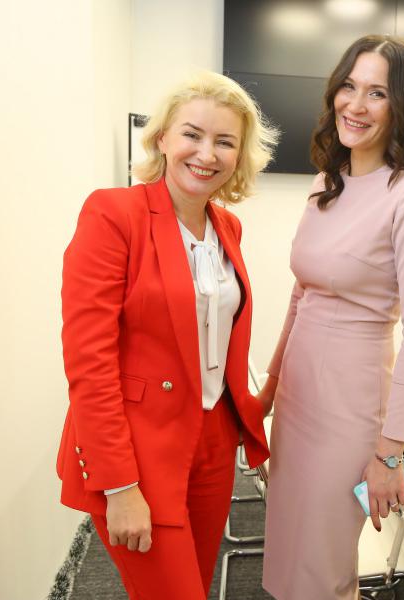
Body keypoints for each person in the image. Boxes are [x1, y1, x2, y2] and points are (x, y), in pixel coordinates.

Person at [56, 71, 278, 600]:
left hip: (213, 441)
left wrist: (252, 406)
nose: (207, 153)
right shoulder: (114, 214)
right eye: (192, 135)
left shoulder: (227, 227)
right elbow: (90, 362)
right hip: (139, 449)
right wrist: (119, 485)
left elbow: (214, 340)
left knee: (194, 585)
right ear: (161, 138)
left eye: (225, 141)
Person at [260, 35, 404, 600]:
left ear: (402, 106)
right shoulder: (326, 182)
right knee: (287, 549)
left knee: (322, 566)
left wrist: (391, 450)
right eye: (349, 86)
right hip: (296, 396)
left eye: (377, 93)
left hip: (351, 403)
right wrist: (267, 391)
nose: (356, 105)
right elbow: (301, 295)